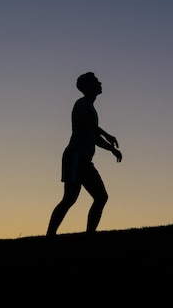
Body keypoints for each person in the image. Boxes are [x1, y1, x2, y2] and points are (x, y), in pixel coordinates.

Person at [47, 72, 123, 237]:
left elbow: (93, 136)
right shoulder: (81, 105)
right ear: (88, 86)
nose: (100, 83)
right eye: (96, 81)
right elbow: (90, 127)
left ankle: (89, 235)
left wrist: (111, 148)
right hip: (75, 157)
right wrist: (108, 136)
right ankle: (50, 235)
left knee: (100, 197)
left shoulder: (90, 106)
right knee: (70, 199)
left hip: (83, 160)